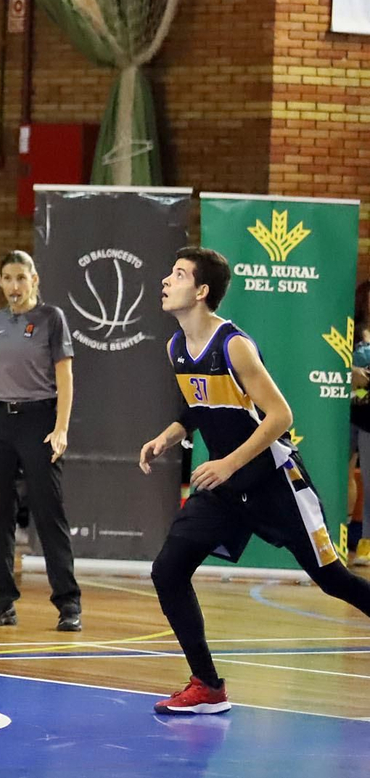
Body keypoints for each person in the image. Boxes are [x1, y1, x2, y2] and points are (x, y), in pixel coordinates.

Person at [140, 247, 370, 714]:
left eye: (179, 274)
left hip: (273, 479)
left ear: (201, 292)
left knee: (333, 580)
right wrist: (170, 435)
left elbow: (281, 415)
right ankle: (207, 686)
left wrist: (227, 463)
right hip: (225, 488)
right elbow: (199, 406)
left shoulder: (233, 345)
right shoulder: (176, 346)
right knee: (168, 570)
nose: (167, 280)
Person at [0, 250, 80, 631]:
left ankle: (68, 603)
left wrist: (60, 427)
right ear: (0, 282)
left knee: (48, 513)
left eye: (21, 277)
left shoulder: (51, 319)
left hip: (39, 419)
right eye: (8, 278)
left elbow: (65, 376)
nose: (14, 285)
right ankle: (2, 601)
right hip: (1, 422)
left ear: (34, 280)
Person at [351, 280, 370, 566]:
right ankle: (340, 538)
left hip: (369, 415)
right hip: (341, 409)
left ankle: (366, 543)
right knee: (341, 474)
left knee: (368, 476)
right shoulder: (349, 330)